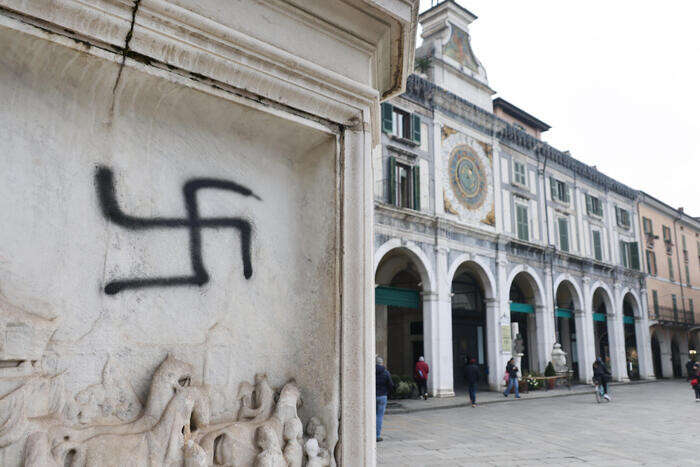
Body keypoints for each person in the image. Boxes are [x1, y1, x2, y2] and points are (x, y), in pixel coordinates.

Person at [375, 356, 393, 442]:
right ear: (382, 363)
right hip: (382, 396)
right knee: (379, 416)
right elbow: (390, 385)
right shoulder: (386, 373)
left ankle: (370, 434)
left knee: (372, 416)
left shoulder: (371, 372)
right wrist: (388, 393)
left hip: (373, 396)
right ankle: (377, 435)